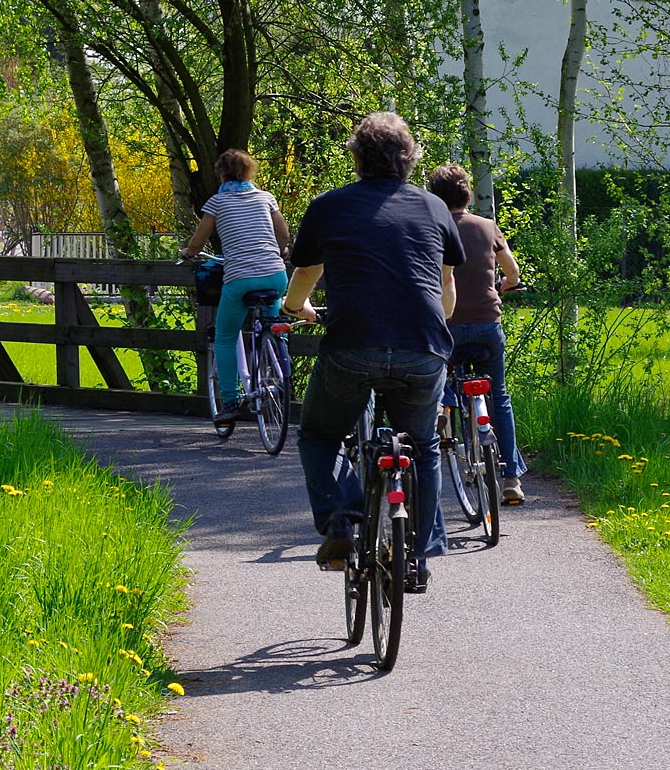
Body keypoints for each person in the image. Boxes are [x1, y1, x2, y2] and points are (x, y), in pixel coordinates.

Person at [282, 112, 463, 592]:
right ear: (410, 159)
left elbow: (304, 277)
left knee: (319, 435)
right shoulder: (435, 209)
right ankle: (417, 558)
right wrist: (432, 327)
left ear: (357, 157)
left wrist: (295, 307)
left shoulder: (328, 207)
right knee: (423, 447)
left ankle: (341, 520)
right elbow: (446, 288)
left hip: (351, 343)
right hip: (423, 345)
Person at [425, 164, 528, 505]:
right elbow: (512, 272)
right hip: (487, 324)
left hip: (448, 325)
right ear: (468, 195)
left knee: (439, 375)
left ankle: (444, 408)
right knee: (499, 396)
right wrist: (502, 285)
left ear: (435, 198)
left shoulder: (431, 228)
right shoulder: (487, 227)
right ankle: (511, 477)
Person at [180, 149, 293, 426]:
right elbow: (284, 234)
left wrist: (188, 253)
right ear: (249, 171)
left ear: (221, 173)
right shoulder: (266, 198)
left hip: (240, 279)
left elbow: (198, 240)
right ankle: (278, 360)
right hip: (275, 275)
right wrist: (281, 251)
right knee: (273, 321)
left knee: (225, 336)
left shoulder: (217, 202)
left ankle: (230, 402)